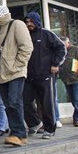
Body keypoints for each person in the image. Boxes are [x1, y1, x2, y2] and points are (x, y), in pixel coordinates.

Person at [0, 5, 33, 147]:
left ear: (2, 17)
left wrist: (17, 66)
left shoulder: (17, 25)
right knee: (8, 105)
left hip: (16, 72)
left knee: (14, 102)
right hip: (0, 73)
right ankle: (18, 133)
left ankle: (18, 133)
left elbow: (26, 47)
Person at [22, 11, 65, 140]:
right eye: (27, 22)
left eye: (31, 21)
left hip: (45, 75)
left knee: (47, 103)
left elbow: (61, 48)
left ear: (37, 21)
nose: (29, 24)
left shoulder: (46, 34)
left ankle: (49, 129)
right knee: (24, 101)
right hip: (28, 76)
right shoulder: (25, 35)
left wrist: (55, 63)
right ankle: (35, 123)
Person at [58, 36, 78, 127]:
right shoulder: (60, 51)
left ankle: (77, 119)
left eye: (64, 44)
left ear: (68, 43)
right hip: (67, 79)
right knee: (73, 100)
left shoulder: (77, 50)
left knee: (77, 99)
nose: (62, 46)